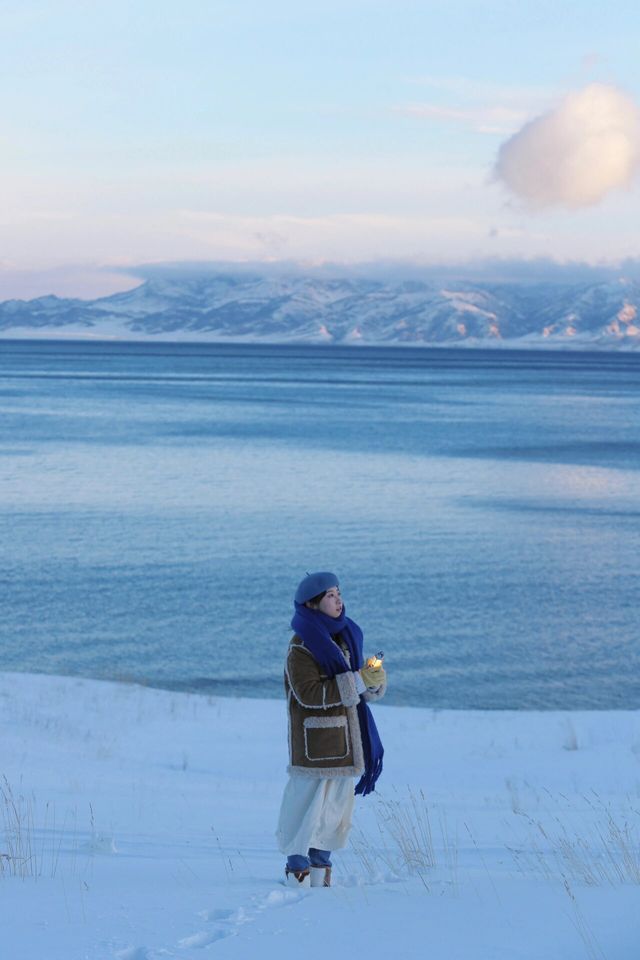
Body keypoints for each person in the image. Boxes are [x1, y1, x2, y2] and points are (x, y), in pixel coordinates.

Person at [275, 571, 386, 888]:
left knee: (335, 809)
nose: (339, 600)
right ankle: (297, 871)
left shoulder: (345, 636)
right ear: (313, 604)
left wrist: (371, 683)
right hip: (315, 744)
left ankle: (322, 870)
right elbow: (307, 694)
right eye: (331, 595)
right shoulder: (301, 647)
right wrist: (357, 682)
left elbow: (355, 686)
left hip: (346, 742)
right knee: (304, 807)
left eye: (339, 593)